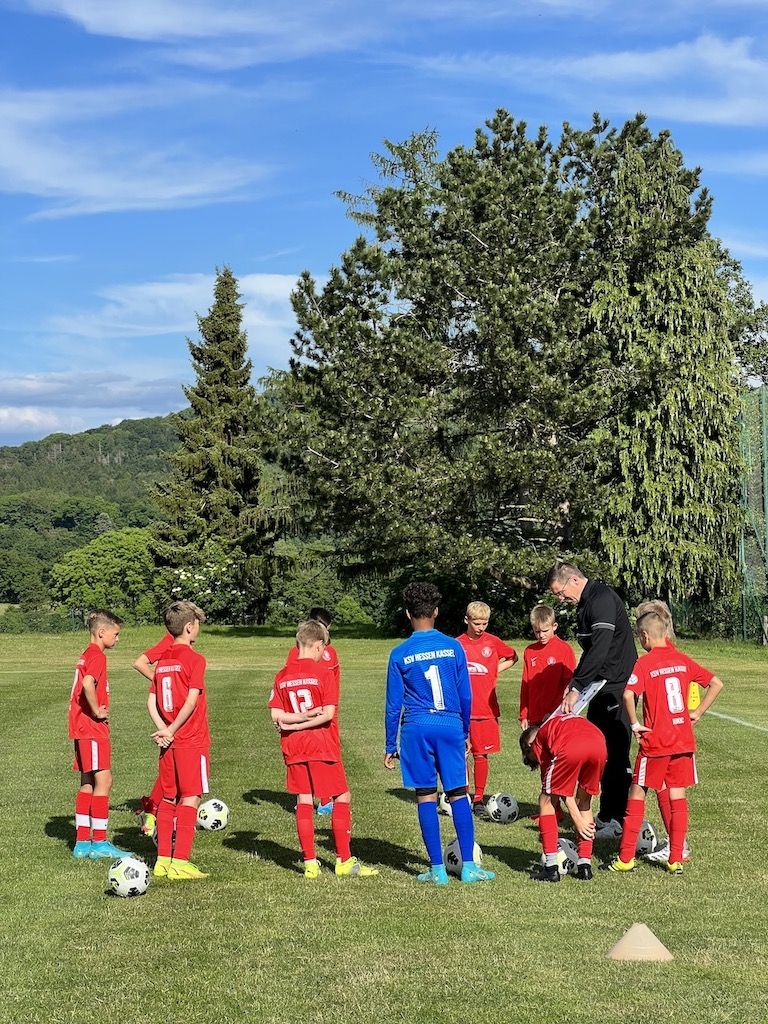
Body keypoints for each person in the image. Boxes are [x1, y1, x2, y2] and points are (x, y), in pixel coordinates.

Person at [384, 582, 494, 884]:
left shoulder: (399, 653)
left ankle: (436, 870)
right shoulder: (453, 646)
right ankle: (469, 866)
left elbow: (393, 705)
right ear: (436, 611)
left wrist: (390, 744)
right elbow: (465, 694)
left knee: (425, 796)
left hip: (416, 728)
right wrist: (466, 730)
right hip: (449, 726)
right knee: (458, 793)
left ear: (408, 614)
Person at [605, 607, 723, 875]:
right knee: (677, 796)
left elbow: (628, 695)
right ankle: (676, 858)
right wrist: (697, 712)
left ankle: (625, 858)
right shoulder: (682, 659)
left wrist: (635, 724)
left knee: (637, 793)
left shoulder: (645, 663)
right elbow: (716, 683)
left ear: (645, 636)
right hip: (683, 741)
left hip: (656, 742)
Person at [270, 619, 378, 879]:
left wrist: (294, 722)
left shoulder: (282, 675)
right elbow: (328, 714)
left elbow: (276, 716)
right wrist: (305, 719)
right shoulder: (323, 673)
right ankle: (344, 861)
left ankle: (310, 863)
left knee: (304, 799)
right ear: (318, 645)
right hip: (321, 744)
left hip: (293, 746)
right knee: (342, 796)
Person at [547, 562, 637, 839]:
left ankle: (618, 819)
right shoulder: (585, 604)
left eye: (560, 592)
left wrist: (577, 687)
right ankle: (607, 814)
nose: (561, 599)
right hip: (598, 686)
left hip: (617, 686)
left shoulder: (602, 600)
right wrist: (576, 681)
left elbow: (600, 648)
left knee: (616, 752)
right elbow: (589, 652)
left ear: (573, 580)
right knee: (599, 751)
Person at [147, 601, 211, 880]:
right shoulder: (195, 659)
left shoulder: (163, 661)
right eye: (197, 624)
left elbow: (151, 701)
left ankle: (162, 860)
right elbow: (191, 701)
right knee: (191, 797)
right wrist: (172, 729)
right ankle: (180, 862)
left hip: (168, 742)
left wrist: (162, 729)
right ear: (188, 627)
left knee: (168, 798)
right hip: (191, 739)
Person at [131, 601, 206, 836]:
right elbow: (139, 662)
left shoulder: (177, 647)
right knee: (185, 787)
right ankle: (156, 815)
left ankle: (162, 821)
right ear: (188, 626)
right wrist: (168, 682)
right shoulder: (172, 645)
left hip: (168, 722)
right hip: (181, 723)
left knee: (171, 779)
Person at [69, 609, 133, 860]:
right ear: (102, 632)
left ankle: (82, 843)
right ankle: (99, 842)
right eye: (115, 634)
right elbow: (87, 684)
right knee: (104, 781)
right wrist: (97, 711)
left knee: (88, 782)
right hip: (92, 728)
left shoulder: (86, 654)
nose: (117, 639)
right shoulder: (97, 656)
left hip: (81, 728)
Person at [520, 713, 607, 881]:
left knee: (545, 801)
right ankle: (585, 865)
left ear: (528, 747)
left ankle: (551, 868)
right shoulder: (556, 724)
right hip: (599, 743)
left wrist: (577, 820)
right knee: (585, 801)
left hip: (572, 745)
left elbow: (558, 791)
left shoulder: (539, 744)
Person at [456, 601, 518, 819]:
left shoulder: (492, 642)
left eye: (484, 623)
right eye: (477, 623)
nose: (481, 627)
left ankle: (478, 798)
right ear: (467, 620)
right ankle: (462, 796)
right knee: (461, 755)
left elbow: (513, 656)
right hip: (462, 711)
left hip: (486, 710)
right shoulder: (457, 644)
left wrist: (494, 670)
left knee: (481, 755)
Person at [283, 606, 339, 815]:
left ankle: (308, 798)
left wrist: (288, 716)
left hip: (301, 714)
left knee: (304, 759)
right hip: (325, 710)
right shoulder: (330, 653)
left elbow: (290, 682)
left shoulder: (295, 652)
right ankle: (326, 799)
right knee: (325, 757)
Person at [519, 603, 576, 730]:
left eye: (545, 631)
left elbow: (569, 683)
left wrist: (555, 711)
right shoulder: (529, 651)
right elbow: (525, 684)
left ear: (554, 626)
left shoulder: (564, 649)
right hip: (534, 716)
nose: (541, 635)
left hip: (556, 715)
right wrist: (524, 715)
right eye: (537, 631)